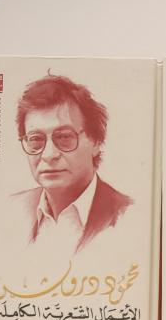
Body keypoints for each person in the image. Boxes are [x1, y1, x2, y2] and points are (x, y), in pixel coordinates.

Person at [13, 74, 132, 254]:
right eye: (36, 139)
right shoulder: (11, 210)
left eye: (64, 137)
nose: (49, 155)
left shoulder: (128, 216)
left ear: (96, 142)